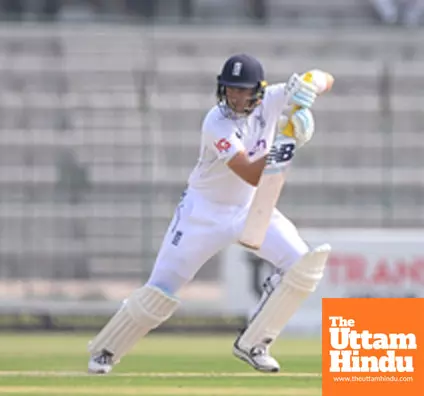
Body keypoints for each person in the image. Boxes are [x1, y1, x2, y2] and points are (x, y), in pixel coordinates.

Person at [86, 54, 331, 374]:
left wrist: (309, 87)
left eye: (243, 91)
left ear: (259, 90)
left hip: (249, 208)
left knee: (301, 265)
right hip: (202, 213)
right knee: (160, 290)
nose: (236, 97)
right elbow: (251, 173)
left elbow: (326, 77)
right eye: (230, 89)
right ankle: (106, 350)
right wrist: (289, 140)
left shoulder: (273, 99)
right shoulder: (215, 123)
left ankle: (254, 343)